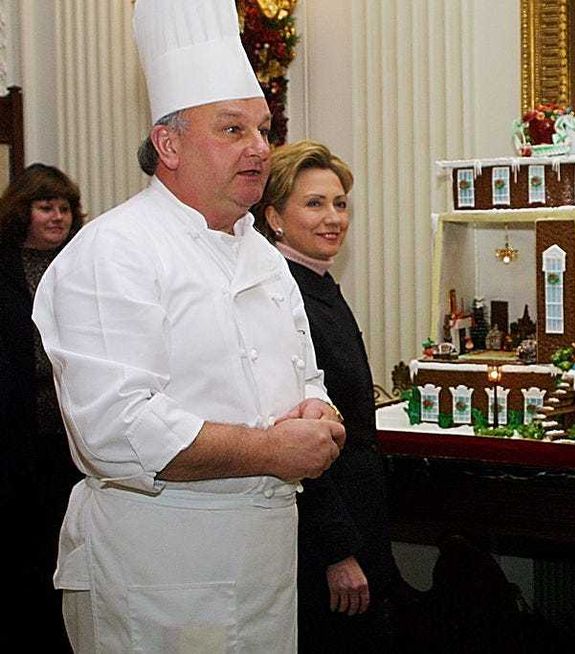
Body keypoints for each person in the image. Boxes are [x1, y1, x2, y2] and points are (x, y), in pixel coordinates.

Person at [31, 1, 345, 651]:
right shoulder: (114, 250)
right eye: (232, 129)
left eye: (263, 128)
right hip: (156, 576)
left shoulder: (258, 248)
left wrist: (319, 413)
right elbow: (116, 432)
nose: (260, 147)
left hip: (264, 568)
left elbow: (304, 374)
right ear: (168, 144)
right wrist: (272, 451)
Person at [254, 140, 407, 652]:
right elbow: (292, 434)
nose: (334, 218)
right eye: (315, 204)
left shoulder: (316, 281)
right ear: (274, 216)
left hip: (357, 505)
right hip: (327, 530)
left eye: (340, 204)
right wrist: (338, 551)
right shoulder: (282, 294)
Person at [0, 163, 86, 652]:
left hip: (71, 428)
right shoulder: (5, 265)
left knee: (64, 537)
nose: (58, 217)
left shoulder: (81, 262)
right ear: (22, 210)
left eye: (65, 208)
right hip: (16, 427)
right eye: (45, 207)